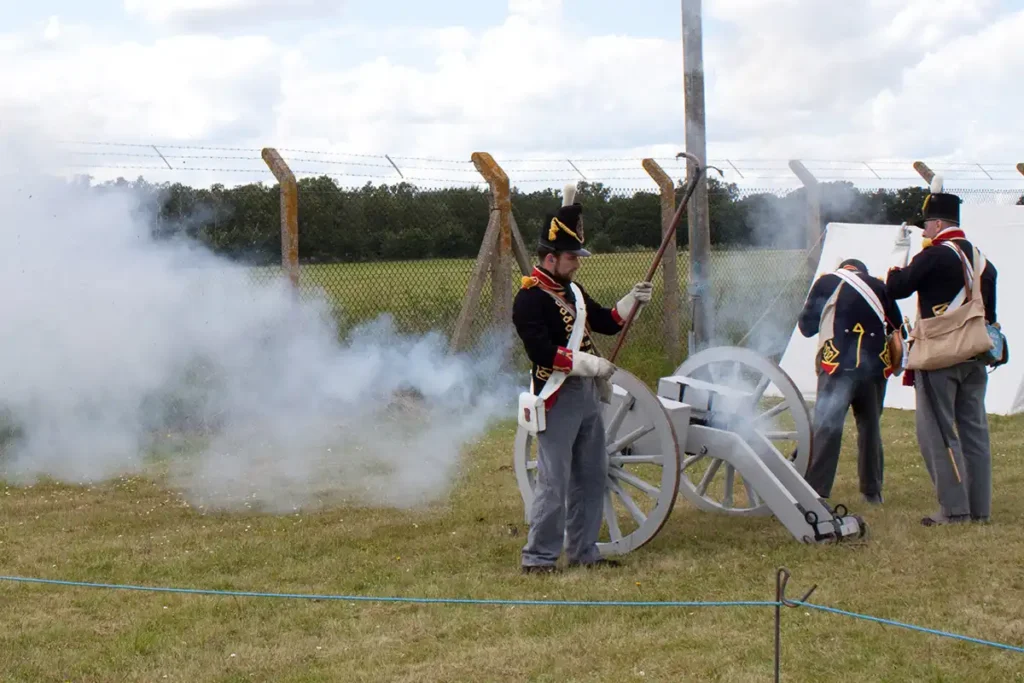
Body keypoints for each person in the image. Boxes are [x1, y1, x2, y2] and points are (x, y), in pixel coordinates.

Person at [511, 184, 653, 573]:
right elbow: (543, 353)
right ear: (551, 257)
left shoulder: (572, 289)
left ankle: (583, 551)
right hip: (556, 397)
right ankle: (538, 558)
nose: (578, 263)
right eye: (572, 256)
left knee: (591, 477)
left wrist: (632, 300)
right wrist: (592, 366)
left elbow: (606, 322)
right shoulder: (529, 298)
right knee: (554, 484)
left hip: (588, 394)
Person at [886, 176, 998, 526]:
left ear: (937, 224)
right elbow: (989, 309)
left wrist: (898, 254)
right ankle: (979, 509)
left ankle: (954, 509)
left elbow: (896, 288)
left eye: (926, 225)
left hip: (940, 355)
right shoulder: (980, 258)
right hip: (975, 353)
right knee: (974, 432)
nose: (925, 231)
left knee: (936, 433)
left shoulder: (934, 255)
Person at [796, 258, 903, 505]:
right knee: (870, 428)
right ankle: (872, 492)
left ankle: (817, 491)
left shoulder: (827, 282)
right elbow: (898, 330)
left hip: (837, 366)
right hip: (874, 367)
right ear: (863, 272)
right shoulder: (878, 286)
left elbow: (806, 327)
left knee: (828, 427)